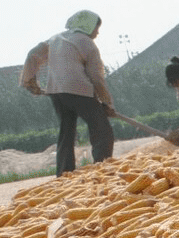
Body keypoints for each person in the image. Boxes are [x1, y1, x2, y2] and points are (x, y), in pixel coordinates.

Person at [20, 10, 115, 176]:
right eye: (96, 28)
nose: (97, 33)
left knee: (66, 131)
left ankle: (64, 173)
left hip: (56, 93)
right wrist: (107, 103)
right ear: (87, 26)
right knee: (102, 130)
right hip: (79, 90)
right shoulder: (86, 43)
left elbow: (32, 55)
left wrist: (29, 80)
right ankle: (103, 169)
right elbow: (97, 77)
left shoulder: (55, 39)